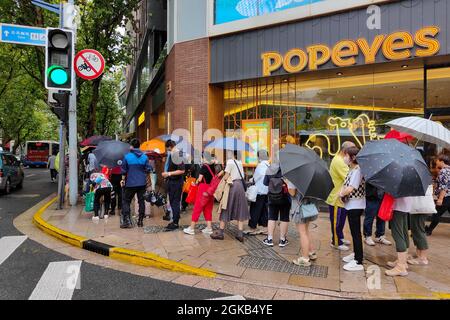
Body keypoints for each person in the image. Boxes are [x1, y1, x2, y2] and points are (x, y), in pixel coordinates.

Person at [211, 150, 249, 242]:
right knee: (240, 208)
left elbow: (226, 177)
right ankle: (240, 233)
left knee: (225, 207)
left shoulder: (230, 162)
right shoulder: (239, 162)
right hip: (240, 187)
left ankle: (220, 232)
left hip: (232, 187)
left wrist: (221, 176)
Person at [339, 146, 366, 272]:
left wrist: (341, 194)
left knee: (356, 233)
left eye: (346, 155)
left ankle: (358, 260)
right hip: (351, 205)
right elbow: (346, 185)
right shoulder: (352, 169)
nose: (345, 158)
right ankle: (356, 254)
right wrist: (342, 191)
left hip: (356, 205)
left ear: (353, 157)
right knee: (354, 232)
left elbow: (351, 188)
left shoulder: (358, 171)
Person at [326, 141, 356, 251]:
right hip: (336, 198)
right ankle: (336, 242)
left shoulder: (341, 160)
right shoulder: (339, 161)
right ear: (345, 151)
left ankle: (340, 237)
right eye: (351, 152)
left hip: (340, 197)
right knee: (336, 222)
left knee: (341, 220)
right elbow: (348, 177)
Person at [120, 138, 153, 229]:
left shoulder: (127, 157)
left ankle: (127, 220)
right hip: (142, 183)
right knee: (141, 201)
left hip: (130, 183)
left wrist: (122, 180)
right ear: (139, 146)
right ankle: (140, 221)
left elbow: (123, 170)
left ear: (131, 146)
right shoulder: (144, 157)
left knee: (126, 201)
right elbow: (148, 169)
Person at [183, 152, 216, 235]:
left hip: (203, 189)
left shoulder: (204, 166)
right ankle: (209, 228)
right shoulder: (213, 167)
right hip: (211, 189)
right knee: (208, 208)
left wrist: (195, 183)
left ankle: (191, 228)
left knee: (197, 208)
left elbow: (200, 179)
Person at [287, 179, 318, 267]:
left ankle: (305, 258)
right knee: (306, 231)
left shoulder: (294, 176)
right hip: (308, 205)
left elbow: (292, 193)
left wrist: (287, 183)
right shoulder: (311, 176)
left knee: (302, 232)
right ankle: (311, 252)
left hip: (299, 207)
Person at [262, 162, 291, 247]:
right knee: (284, 218)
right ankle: (282, 240)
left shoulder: (269, 169)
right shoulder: (287, 169)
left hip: (272, 197)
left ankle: (270, 239)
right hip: (285, 197)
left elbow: (265, 183)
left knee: (271, 217)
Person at [385, 196, 413, 277]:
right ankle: (402, 262)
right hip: (405, 206)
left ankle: (400, 267)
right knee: (404, 233)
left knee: (398, 235)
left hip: (398, 207)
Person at [244, 150, 270, 236]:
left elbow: (256, 178)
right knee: (264, 210)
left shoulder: (261, 165)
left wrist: (251, 180)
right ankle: (264, 227)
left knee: (254, 209)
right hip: (266, 191)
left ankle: (252, 227)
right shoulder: (268, 165)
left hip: (259, 191)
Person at [162, 140, 186, 230]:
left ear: (170, 147)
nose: (168, 150)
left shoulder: (176, 154)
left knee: (175, 203)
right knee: (173, 202)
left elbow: (182, 170)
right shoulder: (175, 154)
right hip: (173, 182)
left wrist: (168, 174)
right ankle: (175, 220)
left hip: (176, 183)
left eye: (168, 148)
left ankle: (175, 223)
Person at [425, 154, 450, 235]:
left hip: (445, 196)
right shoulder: (448, 170)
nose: (436, 162)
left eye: (437, 160)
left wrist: (440, 199)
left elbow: (444, 186)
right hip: (448, 196)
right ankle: (429, 229)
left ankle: (429, 230)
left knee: (436, 214)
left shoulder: (443, 171)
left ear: (442, 161)